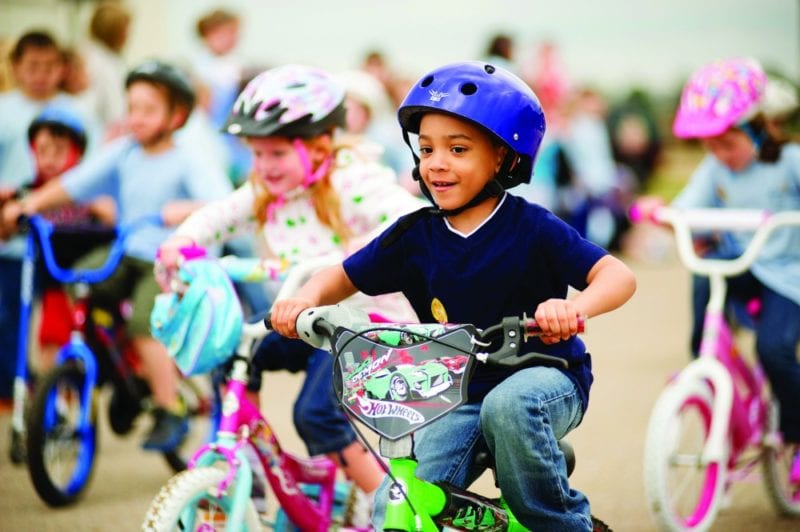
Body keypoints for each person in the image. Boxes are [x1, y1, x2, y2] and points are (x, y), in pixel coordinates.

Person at [269, 61, 637, 530]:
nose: (437, 162)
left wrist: (573, 307)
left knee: (511, 408)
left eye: (457, 149)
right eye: (426, 149)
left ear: (503, 158)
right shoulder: (414, 236)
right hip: (455, 393)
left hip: (546, 376)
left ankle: (563, 523)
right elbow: (338, 277)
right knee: (396, 499)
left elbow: (617, 276)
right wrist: (304, 299)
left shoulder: (532, 227)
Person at [156, 64, 426, 513]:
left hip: (368, 323)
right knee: (235, 355)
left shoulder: (353, 180)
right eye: (256, 154)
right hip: (305, 315)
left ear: (320, 145)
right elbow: (221, 213)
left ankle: (394, 511)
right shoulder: (266, 186)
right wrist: (182, 243)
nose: (263, 167)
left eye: (276, 153)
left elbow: (409, 219)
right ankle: (253, 460)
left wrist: (361, 251)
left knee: (315, 415)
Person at [0, 60, 233, 452]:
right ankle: (119, 371)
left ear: (176, 116)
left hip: (169, 259)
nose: (136, 118)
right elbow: (76, 183)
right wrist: (29, 206)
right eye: (132, 108)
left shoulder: (188, 157)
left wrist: (182, 210)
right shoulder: (124, 151)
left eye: (148, 110)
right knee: (78, 281)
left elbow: (222, 202)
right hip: (127, 250)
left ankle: (169, 406)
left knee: (145, 321)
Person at [639, 58, 800, 469]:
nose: (719, 155)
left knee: (774, 349)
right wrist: (663, 211)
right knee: (707, 268)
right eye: (711, 146)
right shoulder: (716, 168)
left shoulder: (789, 163)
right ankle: (704, 358)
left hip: (788, 274)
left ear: (759, 128)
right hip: (745, 265)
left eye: (727, 144)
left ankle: (797, 438)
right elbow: (688, 204)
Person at [0, 30, 92, 402]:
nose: (40, 74)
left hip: (64, 236)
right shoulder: (5, 109)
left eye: (48, 66)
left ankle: (65, 381)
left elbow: (95, 167)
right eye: (32, 66)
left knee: (61, 317)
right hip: (14, 239)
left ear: (62, 69)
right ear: (16, 68)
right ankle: (12, 389)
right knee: (9, 316)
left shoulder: (78, 110)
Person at [27, 106, 116, 372]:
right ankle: (50, 387)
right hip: (53, 282)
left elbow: (113, 214)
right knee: (51, 333)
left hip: (94, 280)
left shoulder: (86, 189)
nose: (50, 160)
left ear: (76, 155)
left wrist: (97, 207)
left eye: (59, 151)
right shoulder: (31, 193)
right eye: (43, 151)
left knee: (105, 329)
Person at [80, 1, 131, 136]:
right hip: (103, 133)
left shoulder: (111, 59)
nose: (127, 35)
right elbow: (111, 108)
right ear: (112, 31)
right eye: (124, 30)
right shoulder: (95, 61)